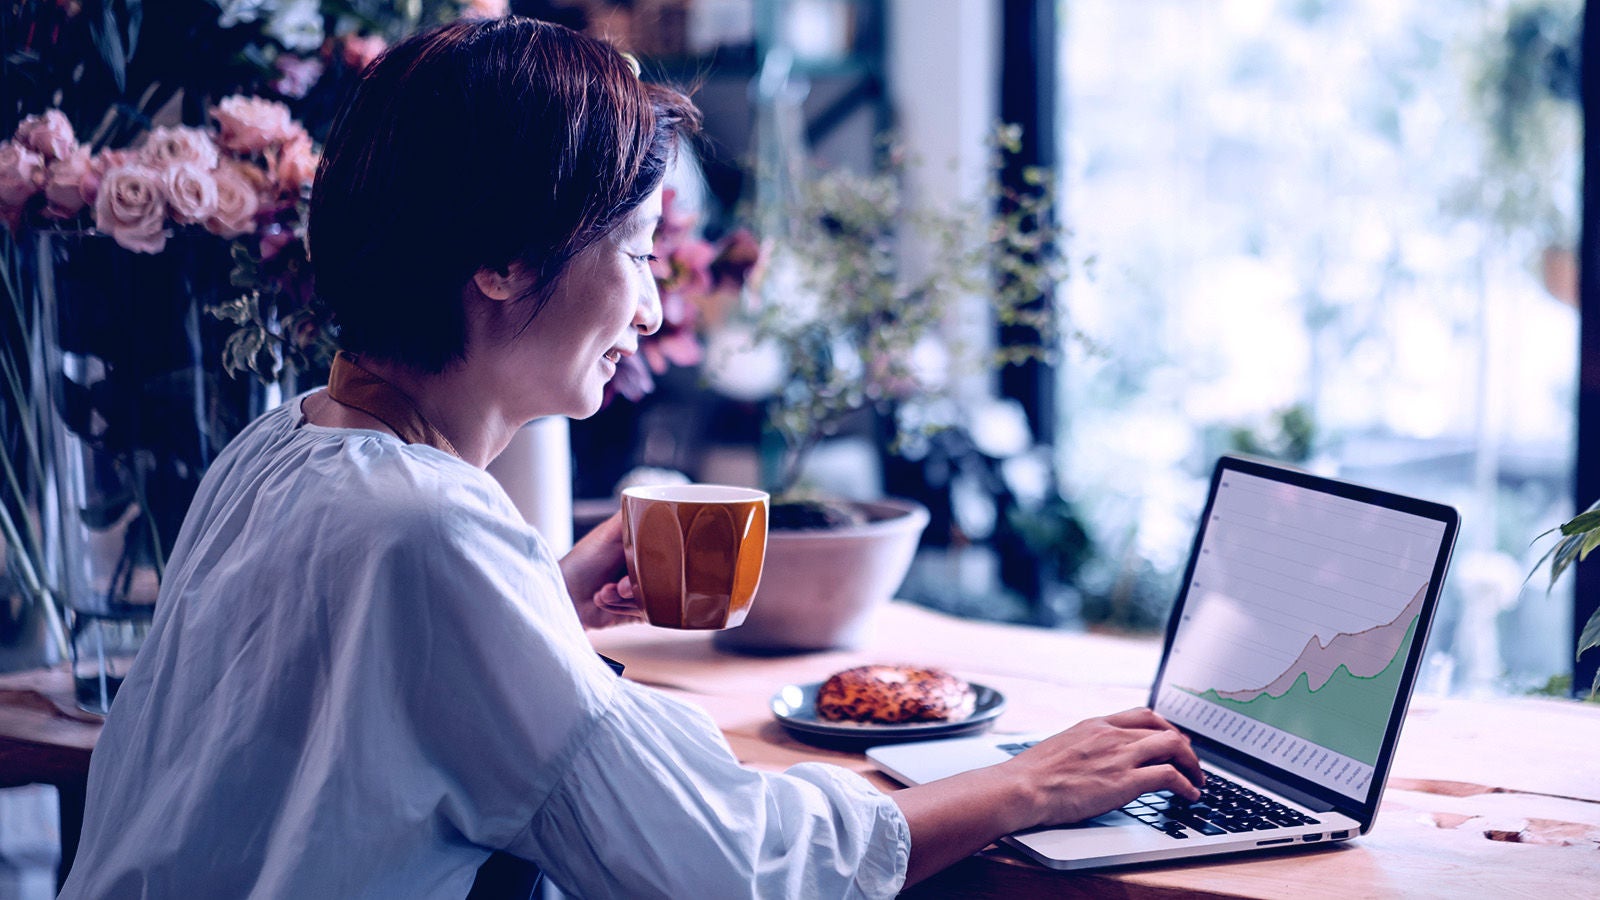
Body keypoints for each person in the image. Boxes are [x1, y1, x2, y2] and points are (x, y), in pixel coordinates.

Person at [58, 16, 1202, 899]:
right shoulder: (430, 531)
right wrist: (1020, 784)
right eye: (639, 252)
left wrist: (533, 602)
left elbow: (319, 708)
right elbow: (725, 865)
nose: (653, 309)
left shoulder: (279, 445)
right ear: (503, 259)